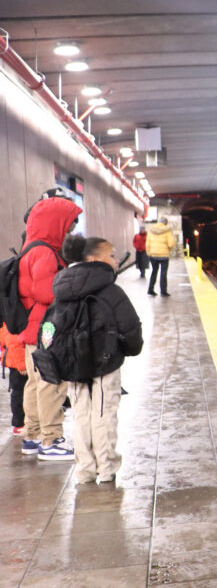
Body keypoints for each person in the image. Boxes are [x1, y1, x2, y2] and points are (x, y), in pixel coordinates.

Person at [52, 237, 143, 484]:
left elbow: (51, 325)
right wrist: (130, 349)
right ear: (93, 260)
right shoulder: (110, 290)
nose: (115, 260)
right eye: (111, 255)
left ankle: (85, 469)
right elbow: (130, 327)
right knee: (103, 413)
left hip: (74, 365)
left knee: (81, 414)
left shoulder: (62, 288)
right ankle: (106, 467)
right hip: (105, 363)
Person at [19, 192, 82, 461]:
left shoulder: (31, 248)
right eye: (68, 225)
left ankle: (32, 436)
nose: (70, 230)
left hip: (33, 329)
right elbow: (47, 293)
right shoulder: (45, 253)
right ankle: (51, 439)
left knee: (35, 383)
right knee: (52, 382)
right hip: (48, 329)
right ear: (55, 222)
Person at [1, 323, 27, 436]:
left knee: (19, 391)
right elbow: (13, 341)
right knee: (20, 392)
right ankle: (19, 423)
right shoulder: (13, 314)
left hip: (15, 358)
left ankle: (19, 423)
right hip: (18, 360)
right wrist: (21, 364)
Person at [146, 217, 176, 297]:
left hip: (153, 255)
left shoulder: (151, 230)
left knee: (154, 272)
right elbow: (171, 244)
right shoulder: (167, 230)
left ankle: (150, 289)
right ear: (165, 223)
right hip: (164, 256)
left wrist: (149, 253)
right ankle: (163, 291)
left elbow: (147, 244)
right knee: (163, 273)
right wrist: (168, 249)